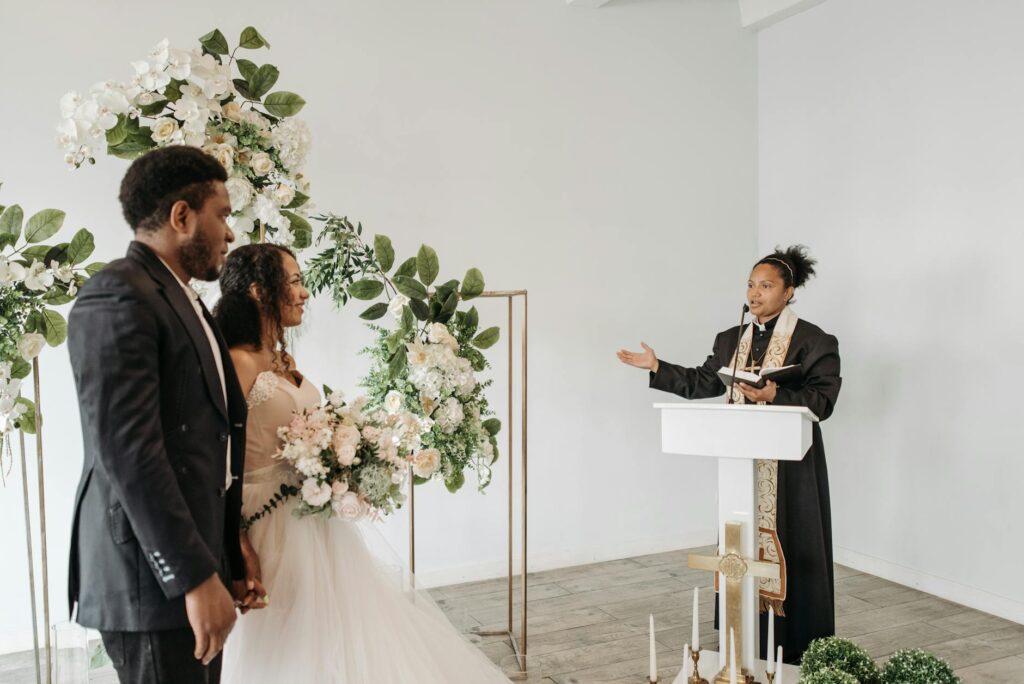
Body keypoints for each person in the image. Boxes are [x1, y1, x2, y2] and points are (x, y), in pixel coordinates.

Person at [215, 244, 509, 683]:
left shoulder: (280, 358)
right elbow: (219, 455)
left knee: (335, 636)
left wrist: (342, 460)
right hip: (266, 521)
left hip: (312, 519)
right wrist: (234, 541)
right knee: (286, 642)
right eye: (294, 282)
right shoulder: (236, 362)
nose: (305, 292)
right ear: (259, 291)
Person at [67, 146, 261, 684]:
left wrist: (228, 553)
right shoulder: (116, 295)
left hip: (190, 568)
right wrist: (194, 577)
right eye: (221, 215)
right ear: (182, 216)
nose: (229, 233)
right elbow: (129, 452)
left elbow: (207, 443)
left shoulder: (185, 300)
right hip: (154, 578)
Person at [617, 245, 841, 664]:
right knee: (741, 546)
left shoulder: (814, 340)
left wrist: (777, 393)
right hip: (741, 467)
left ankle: (797, 649)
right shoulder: (730, 337)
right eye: (751, 285)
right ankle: (744, 643)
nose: (755, 294)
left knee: (796, 547)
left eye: (766, 286)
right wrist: (655, 366)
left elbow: (823, 401)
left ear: (789, 292)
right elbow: (705, 382)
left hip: (791, 470)